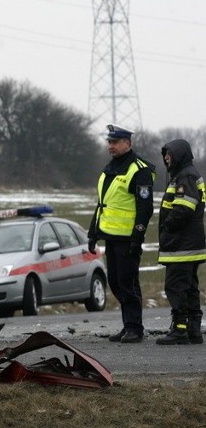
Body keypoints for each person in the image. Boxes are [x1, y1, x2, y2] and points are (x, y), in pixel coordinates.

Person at [88, 125, 155, 343]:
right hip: (110, 236)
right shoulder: (111, 167)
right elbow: (103, 204)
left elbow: (145, 207)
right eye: (109, 142)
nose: (110, 146)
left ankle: (135, 327)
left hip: (127, 238)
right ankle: (128, 325)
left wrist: (138, 236)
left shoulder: (139, 169)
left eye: (115, 142)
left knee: (128, 282)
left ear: (128, 143)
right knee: (115, 282)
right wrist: (93, 233)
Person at [155, 139, 206, 345]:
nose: (166, 158)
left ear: (180, 155)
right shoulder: (186, 174)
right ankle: (194, 330)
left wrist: (168, 225)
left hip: (181, 245)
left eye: (169, 154)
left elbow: (184, 207)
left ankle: (180, 329)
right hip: (189, 245)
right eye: (165, 154)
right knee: (189, 287)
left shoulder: (185, 176)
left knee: (175, 286)